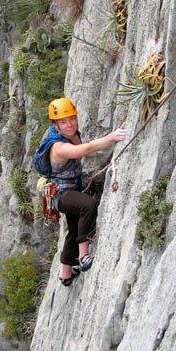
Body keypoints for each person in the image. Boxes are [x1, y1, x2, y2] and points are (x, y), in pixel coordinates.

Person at [46, 97, 125, 285]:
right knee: (88, 206)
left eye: (72, 119)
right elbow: (85, 149)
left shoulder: (70, 135)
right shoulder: (59, 146)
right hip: (61, 195)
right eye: (63, 121)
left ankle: (66, 274)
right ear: (55, 124)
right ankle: (83, 257)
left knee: (74, 228)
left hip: (72, 188)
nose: (70, 124)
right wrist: (112, 137)